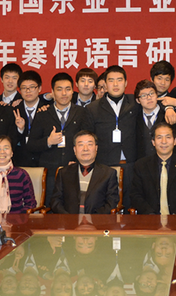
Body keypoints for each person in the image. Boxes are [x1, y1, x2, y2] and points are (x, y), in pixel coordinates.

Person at [28, 73, 90, 201]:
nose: (64, 93)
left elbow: (89, 141)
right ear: (52, 92)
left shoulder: (82, 113)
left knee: (73, 206)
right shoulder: (42, 114)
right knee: (50, 206)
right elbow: (31, 145)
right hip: (50, 173)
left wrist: (78, 161)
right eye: (59, 89)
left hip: (75, 171)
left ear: (72, 91)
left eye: (67, 89)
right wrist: (48, 141)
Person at [85, 65, 140, 208]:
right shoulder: (93, 108)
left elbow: (153, 103)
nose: (115, 84)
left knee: (130, 205)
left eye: (119, 80)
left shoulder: (135, 103)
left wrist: (170, 107)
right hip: (104, 165)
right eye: (111, 80)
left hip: (130, 164)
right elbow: (88, 137)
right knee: (106, 207)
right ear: (105, 84)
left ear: (126, 83)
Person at [131, 123, 176, 215]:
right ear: (153, 142)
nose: (164, 141)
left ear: (175, 141)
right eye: (159, 137)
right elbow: (135, 195)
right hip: (149, 218)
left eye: (168, 137)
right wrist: (150, 214)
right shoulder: (141, 165)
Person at [50, 130, 119, 214]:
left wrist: (93, 218)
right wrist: (68, 217)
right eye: (81, 145)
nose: (85, 149)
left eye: (89, 144)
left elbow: (112, 202)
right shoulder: (63, 173)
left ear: (96, 148)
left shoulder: (108, 173)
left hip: (97, 220)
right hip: (69, 220)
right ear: (75, 150)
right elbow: (55, 201)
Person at [134, 80, 176, 160]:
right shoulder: (135, 117)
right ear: (138, 100)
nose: (149, 98)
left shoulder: (170, 114)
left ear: (157, 95)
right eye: (144, 95)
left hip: (171, 162)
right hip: (144, 164)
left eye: (151, 93)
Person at [13, 70, 51, 167]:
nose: (28, 91)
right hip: (20, 162)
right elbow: (11, 139)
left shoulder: (48, 110)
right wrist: (20, 130)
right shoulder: (14, 110)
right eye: (24, 88)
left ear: (39, 88)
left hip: (43, 161)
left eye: (32, 87)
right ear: (19, 90)